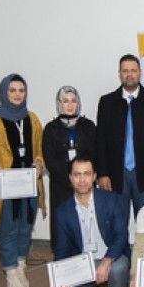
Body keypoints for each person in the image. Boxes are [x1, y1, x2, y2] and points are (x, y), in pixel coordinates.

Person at [49, 157, 130, 287]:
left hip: (110, 258)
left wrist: (107, 260)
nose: (82, 179)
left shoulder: (111, 199)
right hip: (82, 264)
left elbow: (122, 236)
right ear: (70, 177)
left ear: (94, 176)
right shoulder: (62, 211)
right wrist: (58, 279)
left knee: (119, 268)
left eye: (86, 174)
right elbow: (62, 250)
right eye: (77, 174)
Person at [0, 73, 45, 287]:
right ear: (4, 92)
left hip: (29, 183)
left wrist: (39, 163)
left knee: (25, 227)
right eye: (12, 90)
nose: (18, 94)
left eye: (21, 90)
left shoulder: (32, 118)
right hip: (4, 186)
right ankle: (10, 273)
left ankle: (20, 266)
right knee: (8, 229)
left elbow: (39, 149)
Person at [96, 54, 144, 219]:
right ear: (119, 73)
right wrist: (102, 173)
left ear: (139, 73)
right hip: (115, 175)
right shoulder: (106, 102)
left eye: (133, 71)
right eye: (125, 71)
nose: (129, 75)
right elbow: (100, 140)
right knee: (116, 223)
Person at [43, 86, 96, 248]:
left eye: (73, 100)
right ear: (59, 104)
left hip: (86, 185)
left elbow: (95, 154)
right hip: (61, 185)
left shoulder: (88, 126)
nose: (70, 104)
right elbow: (50, 160)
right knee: (63, 224)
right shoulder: (51, 129)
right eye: (65, 101)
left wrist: (82, 179)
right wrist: (70, 180)